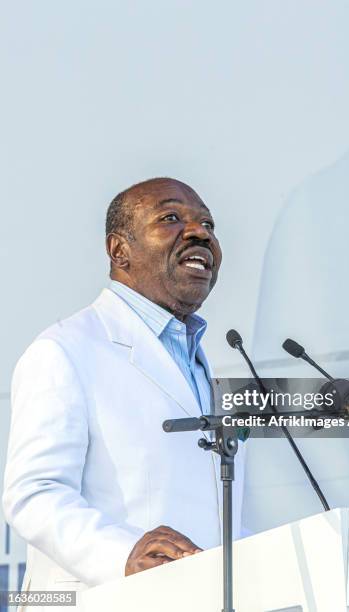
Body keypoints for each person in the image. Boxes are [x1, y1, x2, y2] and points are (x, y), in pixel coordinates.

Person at [2, 178, 245, 608]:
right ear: (119, 251)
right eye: (170, 218)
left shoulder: (206, 365)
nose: (200, 232)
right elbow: (33, 493)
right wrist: (122, 553)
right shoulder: (64, 350)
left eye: (208, 223)